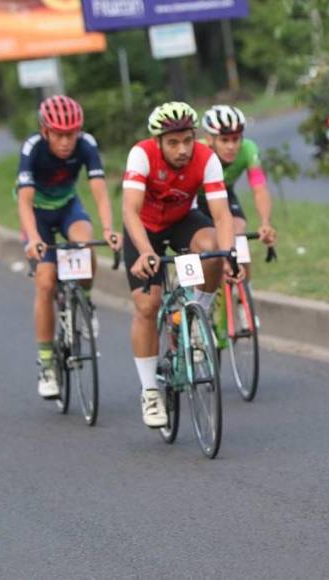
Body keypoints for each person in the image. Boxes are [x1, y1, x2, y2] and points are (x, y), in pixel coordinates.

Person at [122, 102, 239, 428]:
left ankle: (197, 316)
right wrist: (145, 252)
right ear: (158, 141)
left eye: (188, 140)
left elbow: (220, 214)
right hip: (143, 228)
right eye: (173, 142)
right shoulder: (141, 155)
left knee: (213, 248)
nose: (183, 149)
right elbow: (129, 211)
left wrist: (230, 254)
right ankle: (149, 391)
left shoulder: (205, 157)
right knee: (147, 305)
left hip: (182, 220)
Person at [16, 95, 120, 399]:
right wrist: (34, 238)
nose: (66, 142)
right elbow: (23, 200)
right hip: (37, 213)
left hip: (67, 207)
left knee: (85, 245)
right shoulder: (32, 148)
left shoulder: (86, 144)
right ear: (45, 131)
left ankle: (85, 302)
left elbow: (99, 192)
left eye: (71, 134)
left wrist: (110, 230)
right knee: (46, 282)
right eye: (59, 135)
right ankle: (47, 362)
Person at [196, 105, 277, 260]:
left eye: (236, 139)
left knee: (238, 232)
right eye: (224, 140)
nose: (231, 146)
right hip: (195, 199)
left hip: (225, 194)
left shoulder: (248, 149)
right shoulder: (198, 151)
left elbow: (259, 189)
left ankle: (244, 283)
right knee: (209, 242)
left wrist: (265, 222)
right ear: (209, 139)